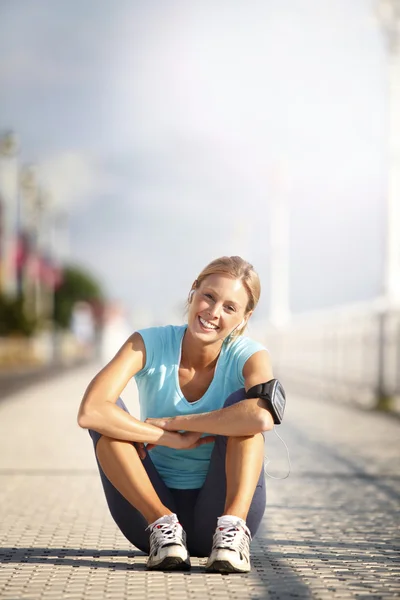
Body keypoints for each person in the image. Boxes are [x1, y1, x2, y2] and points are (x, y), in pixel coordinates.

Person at [77, 256, 275, 573]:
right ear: (193, 292)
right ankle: (164, 530)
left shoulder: (250, 355)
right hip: (149, 513)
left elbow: (263, 416)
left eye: (229, 307)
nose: (213, 312)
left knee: (246, 408)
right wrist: (167, 439)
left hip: (221, 509)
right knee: (109, 415)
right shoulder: (149, 343)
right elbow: (91, 411)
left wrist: (177, 423)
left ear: (244, 317)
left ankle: (232, 535)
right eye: (209, 296)